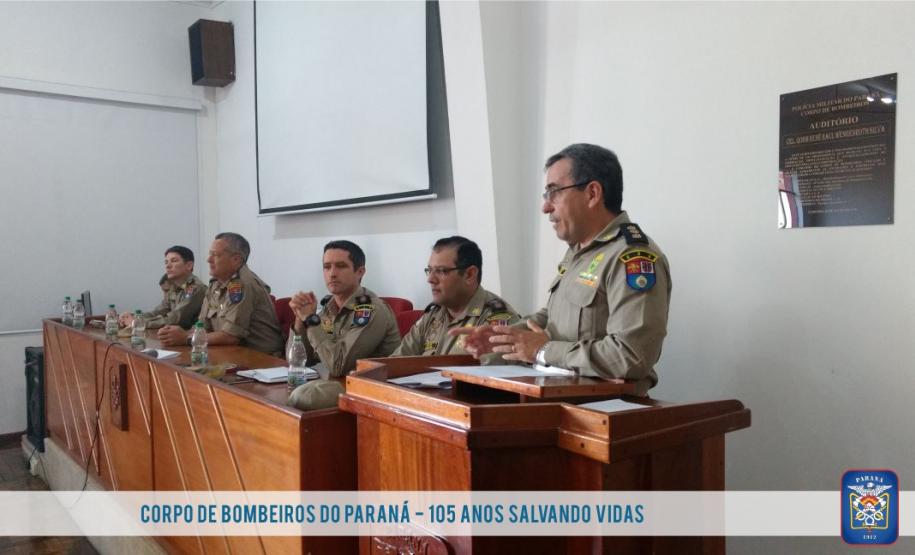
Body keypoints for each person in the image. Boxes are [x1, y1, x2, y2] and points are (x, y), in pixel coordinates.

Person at [455, 144, 671, 395]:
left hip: (602, 414)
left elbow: (631, 356)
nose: (545, 207)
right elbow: (552, 319)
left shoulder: (631, 257)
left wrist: (543, 351)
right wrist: (503, 338)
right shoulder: (578, 252)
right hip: (554, 399)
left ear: (592, 193)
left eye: (554, 192)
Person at [394, 236, 520, 360]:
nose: (430, 279)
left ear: (469, 275)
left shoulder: (497, 318)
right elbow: (395, 362)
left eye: (441, 271)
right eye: (430, 270)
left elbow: (494, 377)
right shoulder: (433, 314)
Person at [158, 232, 283, 356]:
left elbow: (231, 337)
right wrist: (172, 334)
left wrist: (186, 338)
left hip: (261, 358)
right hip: (229, 352)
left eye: (215, 255)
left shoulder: (243, 285)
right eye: (209, 254)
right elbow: (202, 326)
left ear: (236, 259)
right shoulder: (216, 284)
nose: (208, 259)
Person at [288, 240, 400, 378]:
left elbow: (339, 366)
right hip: (335, 383)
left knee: (300, 397)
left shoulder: (371, 311)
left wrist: (311, 320)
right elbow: (297, 362)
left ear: (360, 272)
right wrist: (301, 319)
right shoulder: (329, 307)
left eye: (341, 266)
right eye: (327, 267)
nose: (332, 274)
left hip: (367, 389)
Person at [119, 246, 206, 330]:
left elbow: (175, 319)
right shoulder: (174, 287)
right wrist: (133, 316)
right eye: (166, 262)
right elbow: (158, 311)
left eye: (174, 261)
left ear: (189, 265)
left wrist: (137, 323)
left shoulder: (196, 288)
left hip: (190, 339)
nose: (168, 266)